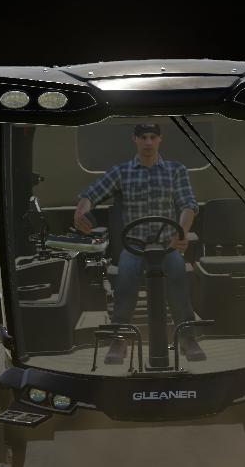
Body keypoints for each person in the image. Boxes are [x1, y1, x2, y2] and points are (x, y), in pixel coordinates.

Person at [73, 122, 203, 364]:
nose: (148, 142)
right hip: (134, 245)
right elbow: (91, 194)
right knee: (125, 280)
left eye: (153, 137)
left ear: (160, 139)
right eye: (143, 137)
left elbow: (188, 205)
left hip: (167, 244)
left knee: (178, 276)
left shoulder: (175, 170)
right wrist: (81, 211)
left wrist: (182, 232)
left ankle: (187, 337)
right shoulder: (121, 172)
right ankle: (119, 339)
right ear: (135, 139)